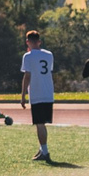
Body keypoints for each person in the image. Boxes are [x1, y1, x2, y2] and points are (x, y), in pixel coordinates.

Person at [19, 28, 57, 163]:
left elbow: (27, 76)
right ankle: (42, 149)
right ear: (39, 42)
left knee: (40, 124)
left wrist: (23, 95)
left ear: (27, 42)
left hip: (37, 93)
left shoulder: (27, 56)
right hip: (48, 92)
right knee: (41, 123)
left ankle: (45, 152)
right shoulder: (49, 54)